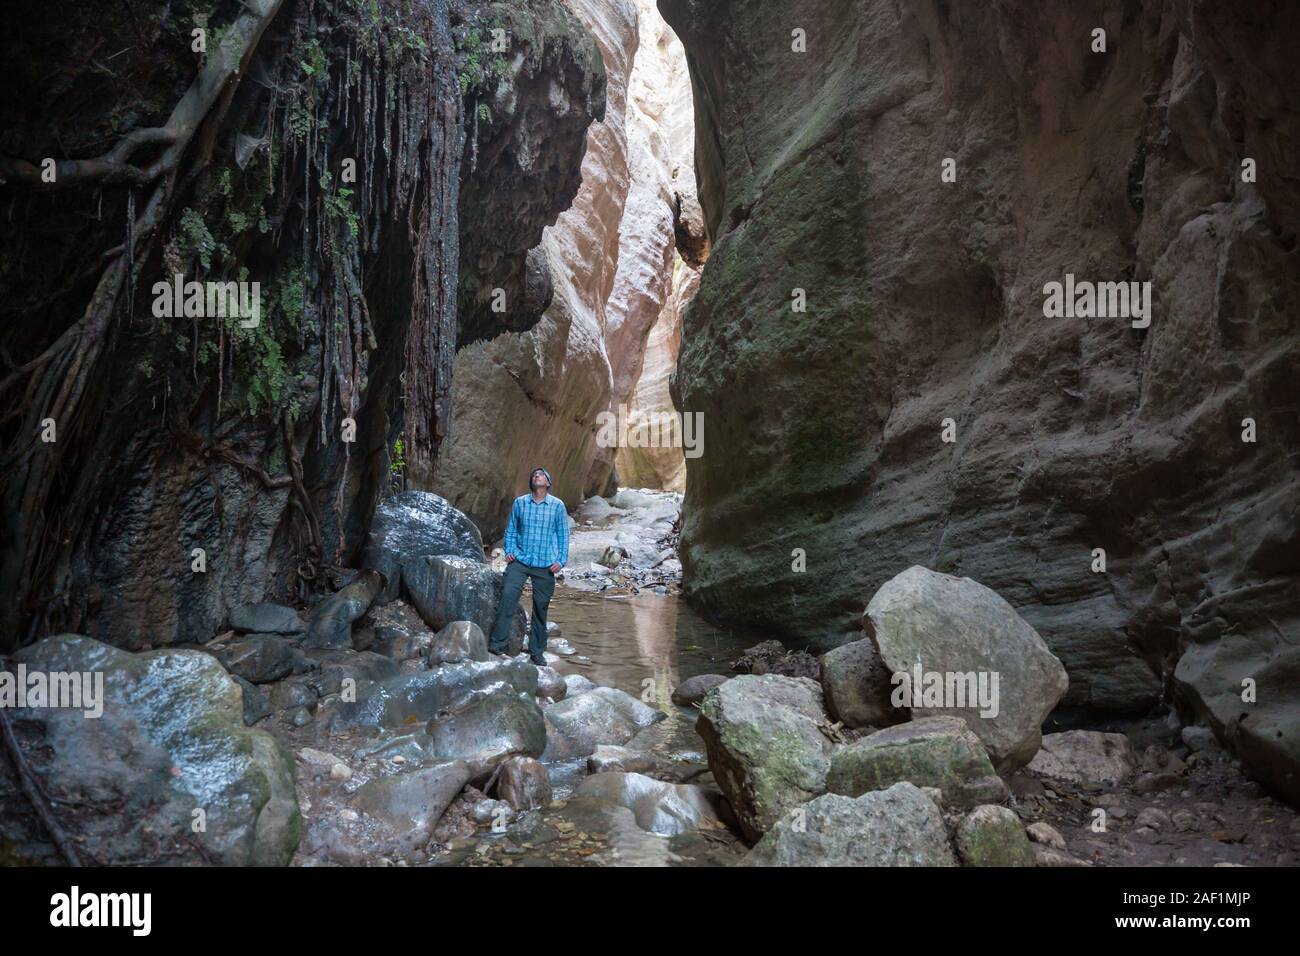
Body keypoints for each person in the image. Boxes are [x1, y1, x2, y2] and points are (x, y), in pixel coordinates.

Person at [489, 467, 568, 665]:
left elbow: (563, 535)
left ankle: (537, 653)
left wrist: (560, 560)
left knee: (541, 610)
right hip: (520, 562)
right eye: (534, 474)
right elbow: (511, 529)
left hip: (545, 565)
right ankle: (496, 645)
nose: (536, 476)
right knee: (507, 599)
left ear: (548, 483)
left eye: (541, 474)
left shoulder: (557, 506)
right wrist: (510, 551)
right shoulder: (520, 503)